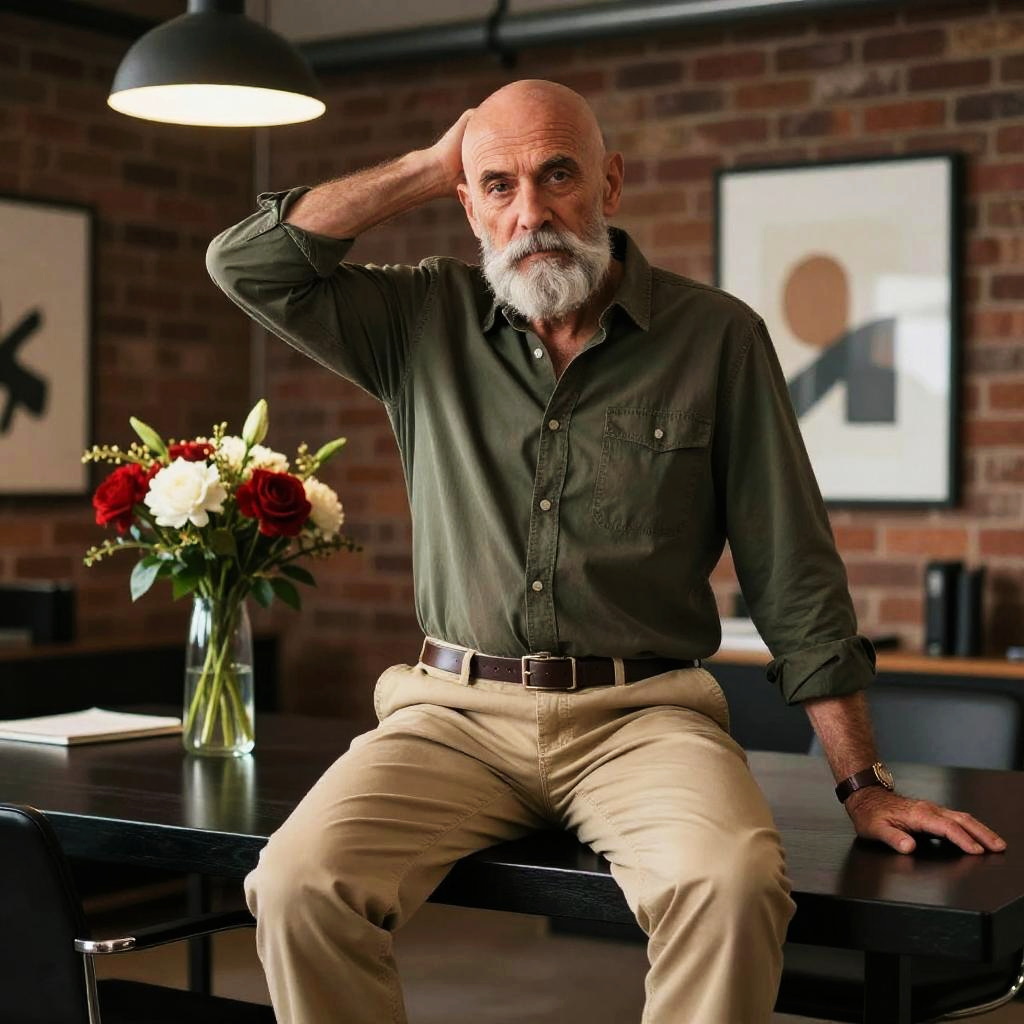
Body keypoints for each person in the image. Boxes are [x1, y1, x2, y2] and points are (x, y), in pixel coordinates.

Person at [206, 79, 1004, 1024]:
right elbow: (246, 264)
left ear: (611, 184)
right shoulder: (420, 320)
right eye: (496, 186)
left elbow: (793, 572)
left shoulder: (718, 338)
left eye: (557, 176)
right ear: (467, 204)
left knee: (732, 882)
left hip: (643, 718)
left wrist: (864, 785)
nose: (531, 212)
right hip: (450, 716)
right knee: (299, 887)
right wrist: (430, 163)